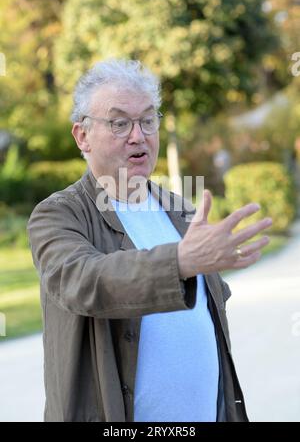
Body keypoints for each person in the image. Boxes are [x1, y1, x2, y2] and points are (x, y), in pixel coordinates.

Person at [28, 59, 272, 422]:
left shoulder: (179, 210)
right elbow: (83, 280)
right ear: (82, 136)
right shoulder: (59, 214)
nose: (138, 135)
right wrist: (179, 263)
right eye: (119, 123)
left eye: (147, 119)